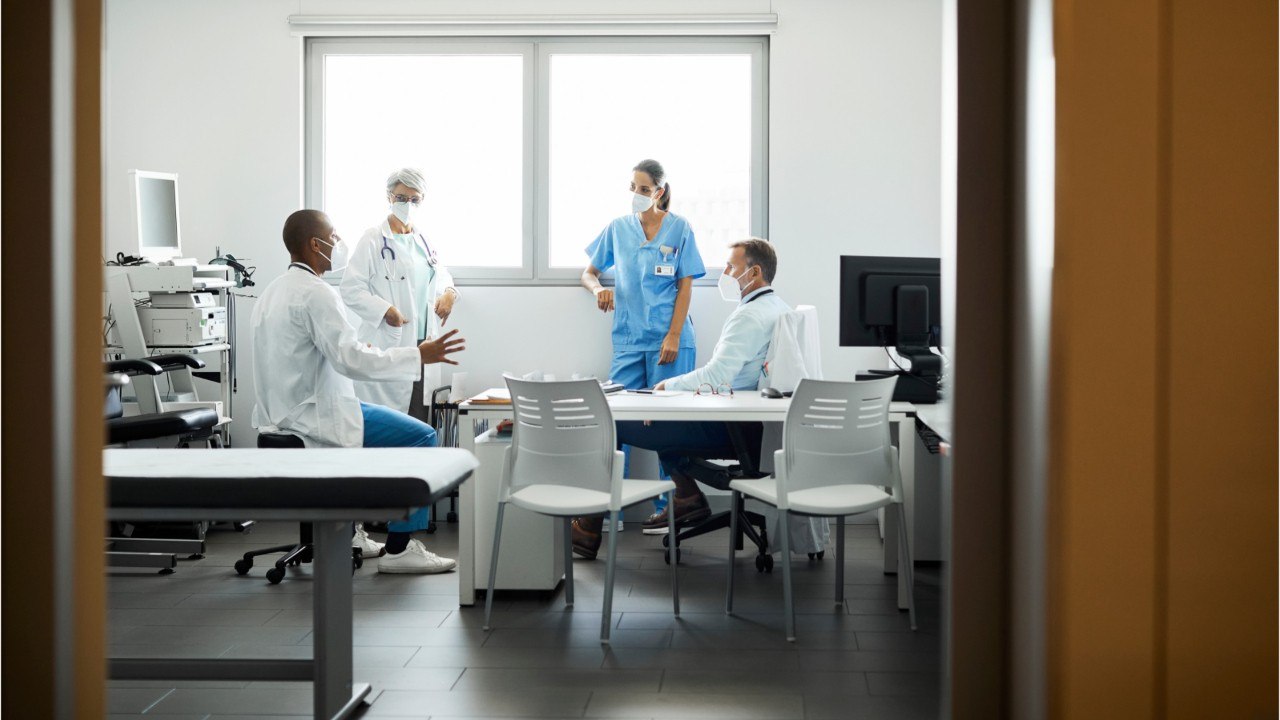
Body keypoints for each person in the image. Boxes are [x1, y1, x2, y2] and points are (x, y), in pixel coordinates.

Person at [252, 209, 466, 574]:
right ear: (314, 244)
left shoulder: (272, 292)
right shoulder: (316, 293)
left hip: (279, 415)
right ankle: (400, 550)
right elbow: (349, 358)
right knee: (422, 437)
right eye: (333, 238)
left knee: (368, 426)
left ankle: (352, 533)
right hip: (314, 417)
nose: (338, 245)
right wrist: (418, 354)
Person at [572, 238, 789, 559]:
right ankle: (687, 495)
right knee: (661, 422)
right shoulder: (776, 307)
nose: (726, 273)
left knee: (615, 422)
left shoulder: (749, 317)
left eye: (731, 267)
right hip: (755, 425)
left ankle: (588, 530)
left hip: (733, 427)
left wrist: (665, 388)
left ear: (754, 272)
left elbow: (718, 376)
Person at [580, 159, 706, 531]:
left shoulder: (679, 228)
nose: (636, 195)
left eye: (644, 189)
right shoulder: (618, 229)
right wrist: (599, 288)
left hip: (671, 340)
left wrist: (673, 335)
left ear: (660, 192)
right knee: (615, 419)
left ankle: (673, 505)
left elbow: (686, 285)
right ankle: (606, 508)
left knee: (668, 423)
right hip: (630, 340)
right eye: (632, 188)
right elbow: (588, 273)